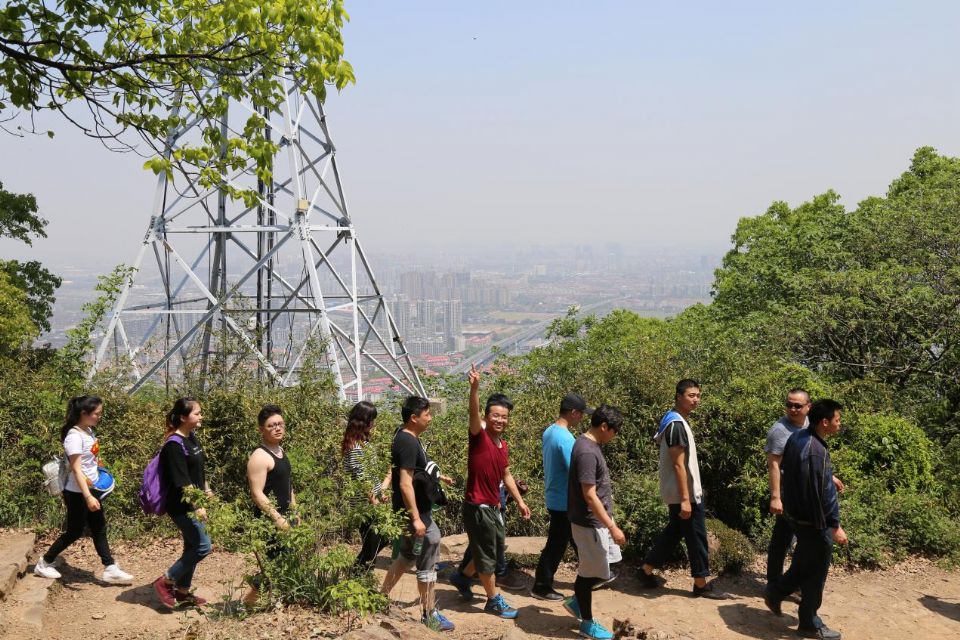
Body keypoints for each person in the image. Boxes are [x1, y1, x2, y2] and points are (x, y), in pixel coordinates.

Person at [450, 364, 531, 618]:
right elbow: (472, 413)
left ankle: (463, 578)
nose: (500, 420)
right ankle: (493, 600)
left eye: (504, 417)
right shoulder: (479, 436)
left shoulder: (502, 445)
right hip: (478, 507)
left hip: (494, 507)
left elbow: (506, 475)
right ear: (486, 417)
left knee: (490, 553)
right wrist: (474, 388)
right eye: (495, 415)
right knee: (487, 558)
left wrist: (519, 501)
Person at [638, 379, 731, 599]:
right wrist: (685, 499)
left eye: (698, 395)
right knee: (697, 537)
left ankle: (645, 570)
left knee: (674, 532)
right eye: (691, 395)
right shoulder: (676, 425)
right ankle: (701, 583)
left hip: (679, 492)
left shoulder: (673, 419)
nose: (695, 400)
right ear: (678, 396)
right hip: (685, 494)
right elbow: (679, 465)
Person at [764, 400, 848, 640]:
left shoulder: (799, 438)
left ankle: (776, 592)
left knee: (803, 562)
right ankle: (810, 622)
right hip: (813, 522)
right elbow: (823, 495)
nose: (839, 424)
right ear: (825, 422)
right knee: (815, 573)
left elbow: (803, 476)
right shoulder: (815, 450)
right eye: (837, 420)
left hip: (796, 517)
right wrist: (834, 526)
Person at [34, 396, 133, 585]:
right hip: (77, 492)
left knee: (99, 527)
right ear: (83, 413)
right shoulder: (74, 437)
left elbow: (91, 459)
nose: (99, 417)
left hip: (91, 487)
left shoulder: (88, 431)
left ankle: (110, 568)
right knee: (74, 531)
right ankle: (44, 563)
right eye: (97, 413)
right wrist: (88, 496)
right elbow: (77, 469)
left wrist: (100, 470)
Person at [380, 396, 455, 632]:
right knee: (429, 555)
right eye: (427, 414)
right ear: (414, 418)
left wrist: (439, 476)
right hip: (416, 514)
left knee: (406, 555)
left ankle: (380, 597)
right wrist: (416, 519)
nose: (430, 418)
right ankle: (429, 614)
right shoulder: (408, 442)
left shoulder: (405, 437)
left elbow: (417, 471)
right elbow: (405, 483)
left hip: (409, 512)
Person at [560, 405, 626, 640]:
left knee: (611, 566)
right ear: (604, 426)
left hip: (598, 521)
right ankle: (586, 623)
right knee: (588, 574)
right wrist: (612, 527)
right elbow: (589, 495)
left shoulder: (589, 444)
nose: (614, 436)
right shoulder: (587, 452)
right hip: (589, 523)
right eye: (615, 431)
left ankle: (577, 602)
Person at [153, 397, 213, 609]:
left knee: (192, 546)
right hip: (181, 506)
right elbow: (182, 482)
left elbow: (197, 470)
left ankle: (182, 592)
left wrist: (206, 489)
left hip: (194, 502)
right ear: (183, 417)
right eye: (197, 413)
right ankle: (165, 581)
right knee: (203, 546)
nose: (201, 416)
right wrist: (198, 505)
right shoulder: (173, 445)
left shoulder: (191, 437)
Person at [530, 392, 589, 600]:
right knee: (557, 544)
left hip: (556, 496)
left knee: (575, 540)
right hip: (564, 500)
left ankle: (593, 574)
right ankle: (541, 586)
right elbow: (576, 470)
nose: (582, 417)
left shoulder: (550, 431)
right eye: (581, 413)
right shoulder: (565, 438)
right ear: (573, 412)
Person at [243, 404, 296, 606]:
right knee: (276, 562)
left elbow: (288, 483)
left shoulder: (280, 450)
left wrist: (295, 510)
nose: (277, 428)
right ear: (261, 429)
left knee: (287, 560)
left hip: (287, 516)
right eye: (271, 425)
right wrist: (277, 518)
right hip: (270, 521)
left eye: (280, 424)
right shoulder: (259, 457)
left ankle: (276, 600)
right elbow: (257, 494)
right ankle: (249, 603)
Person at [341, 400, 392, 570]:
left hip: (371, 502)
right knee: (372, 547)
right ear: (363, 422)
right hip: (364, 506)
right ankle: (356, 575)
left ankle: (358, 575)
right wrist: (374, 501)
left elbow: (370, 476)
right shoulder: (356, 448)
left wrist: (380, 492)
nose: (373, 423)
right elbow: (363, 480)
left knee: (376, 543)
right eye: (371, 420)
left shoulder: (363, 443)